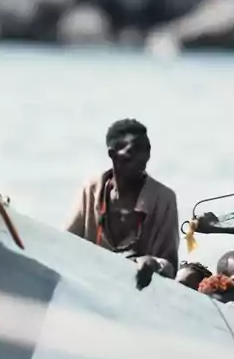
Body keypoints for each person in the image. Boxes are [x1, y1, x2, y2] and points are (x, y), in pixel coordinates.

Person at [67, 119, 180, 287]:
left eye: (146, 150)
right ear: (113, 154)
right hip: (89, 291)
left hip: (140, 296)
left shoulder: (164, 199)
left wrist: (154, 264)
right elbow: (67, 243)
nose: (142, 159)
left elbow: (170, 265)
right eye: (133, 151)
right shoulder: (92, 190)